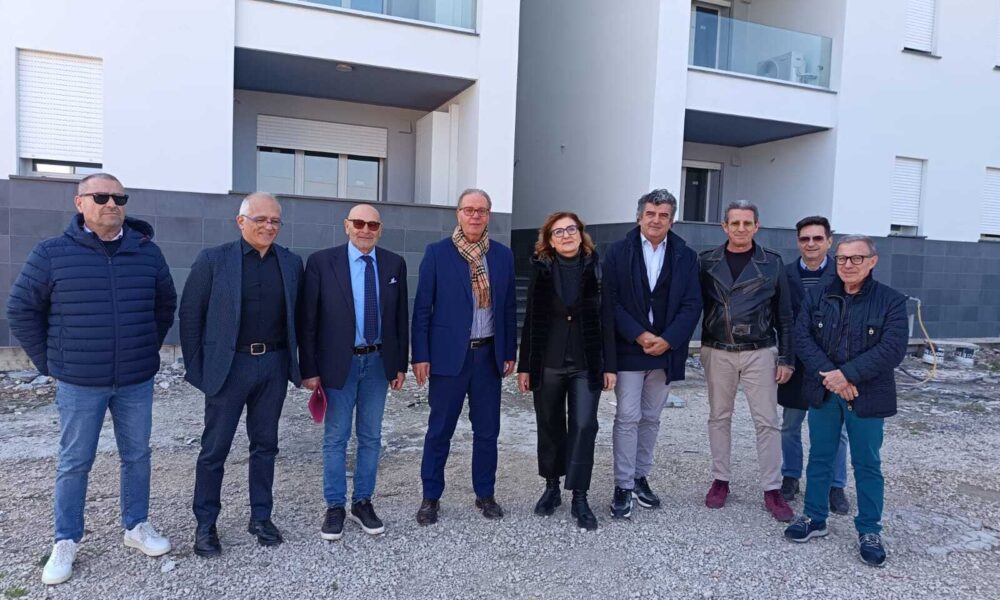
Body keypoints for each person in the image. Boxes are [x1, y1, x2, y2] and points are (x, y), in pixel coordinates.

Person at [7, 173, 177, 585]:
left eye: (119, 197)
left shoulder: (147, 253)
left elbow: (165, 304)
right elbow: (21, 309)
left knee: (137, 455)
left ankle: (136, 526)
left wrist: (145, 347)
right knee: (74, 462)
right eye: (100, 196)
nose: (111, 203)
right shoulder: (52, 253)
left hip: (135, 380)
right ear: (79, 202)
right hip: (80, 383)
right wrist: (50, 363)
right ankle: (65, 539)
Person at [180, 192, 303, 556]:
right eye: (260, 219)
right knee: (214, 449)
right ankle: (206, 524)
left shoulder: (291, 263)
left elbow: (301, 317)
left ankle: (261, 517)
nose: (268, 226)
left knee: (265, 446)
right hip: (229, 367)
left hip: (273, 365)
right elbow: (190, 316)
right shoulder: (214, 260)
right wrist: (199, 370)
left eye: (275, 221)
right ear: (241, 221)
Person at [783, 235, 907, 567]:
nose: (848, 265)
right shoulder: (818, 295)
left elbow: (892, 349)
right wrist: (833, 376)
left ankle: (869, 530)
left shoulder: (891, 301)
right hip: (825, 390)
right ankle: (814, 517)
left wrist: (847, 375)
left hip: (867, 394)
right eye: (842, 259)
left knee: (867, 463)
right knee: (820, 456)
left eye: (856, 258)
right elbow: (802, 338)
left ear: (872, 261)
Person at [298, 204, 409, 541]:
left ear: (380, 229)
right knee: (336, 437)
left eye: (372, 225)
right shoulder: (322, 262)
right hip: (337, 365)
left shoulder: (394, 263)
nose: (365, 230)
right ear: (347, 226)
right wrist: (309, 369)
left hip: (377, 364)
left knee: (371, 437)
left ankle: (363, 502)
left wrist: (399, 364)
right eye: (359, 223)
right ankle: (334, 506)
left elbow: (399, 318)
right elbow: (308, 320)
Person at [411, 188, 517, 525]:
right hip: (448, 359)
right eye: (469, 209)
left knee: (487, 431)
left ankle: (485, 493)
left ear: (489, 215)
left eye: (481, 210)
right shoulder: (438, 253)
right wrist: (420, 355)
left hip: (488, 356)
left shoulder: (502, 256)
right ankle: (431, 497)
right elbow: (422, 309)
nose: (475, 216)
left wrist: (509, 351)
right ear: (458, 213)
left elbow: (508, 307)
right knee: (439, 430)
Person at [601, 190, 702, 519]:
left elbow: (692, 304)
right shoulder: (617, 251)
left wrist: (668, 339)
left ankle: (639, 476)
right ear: (639, 216)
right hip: (629, 347)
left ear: (672, 220)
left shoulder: (686, 256)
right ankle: (622, 484)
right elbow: (610, 301)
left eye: (663, 215)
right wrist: (639, 334)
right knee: (627, 416)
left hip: (665, 350)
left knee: (651, 417)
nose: (656, 220)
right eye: (650, 214)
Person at [516, 212, 617, 531]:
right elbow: (531, 319)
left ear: (581, 233)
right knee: (549, 423)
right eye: (558, 232)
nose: (566, 235)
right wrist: (524, 365)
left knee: (584, 425)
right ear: (549, 239)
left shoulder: (597, 267)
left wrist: (610, 365)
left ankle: (580, 496)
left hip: (586, 362)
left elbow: (608, 319)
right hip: (548, 361)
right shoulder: (542, 268)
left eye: (571, 229)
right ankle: (551, 487)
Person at [698, 200, 795, 522]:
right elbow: (691, 304)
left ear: (757, 226)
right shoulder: (706, 262)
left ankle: (772, 488)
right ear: (724, 226)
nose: (741, 229)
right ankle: (720, 480)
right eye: (735, 223)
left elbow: (785, 315)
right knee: (719, 417)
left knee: (767, 421)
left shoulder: (772, 263)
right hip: (717, 349)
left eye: (747, 223)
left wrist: (787, 358)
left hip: (760, 350)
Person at [778, 216, 850, 515]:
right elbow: (780, 318)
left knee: (836, 429)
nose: (811, 244)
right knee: (790, 425)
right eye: (805, 239)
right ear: (798, 242)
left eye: (817, 238)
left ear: (829, 241)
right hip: (796, 363)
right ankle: (790, 476)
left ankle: (836, 485)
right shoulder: (784, 274)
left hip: (832, 363)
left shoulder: (844, 273)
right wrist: (783, 358)